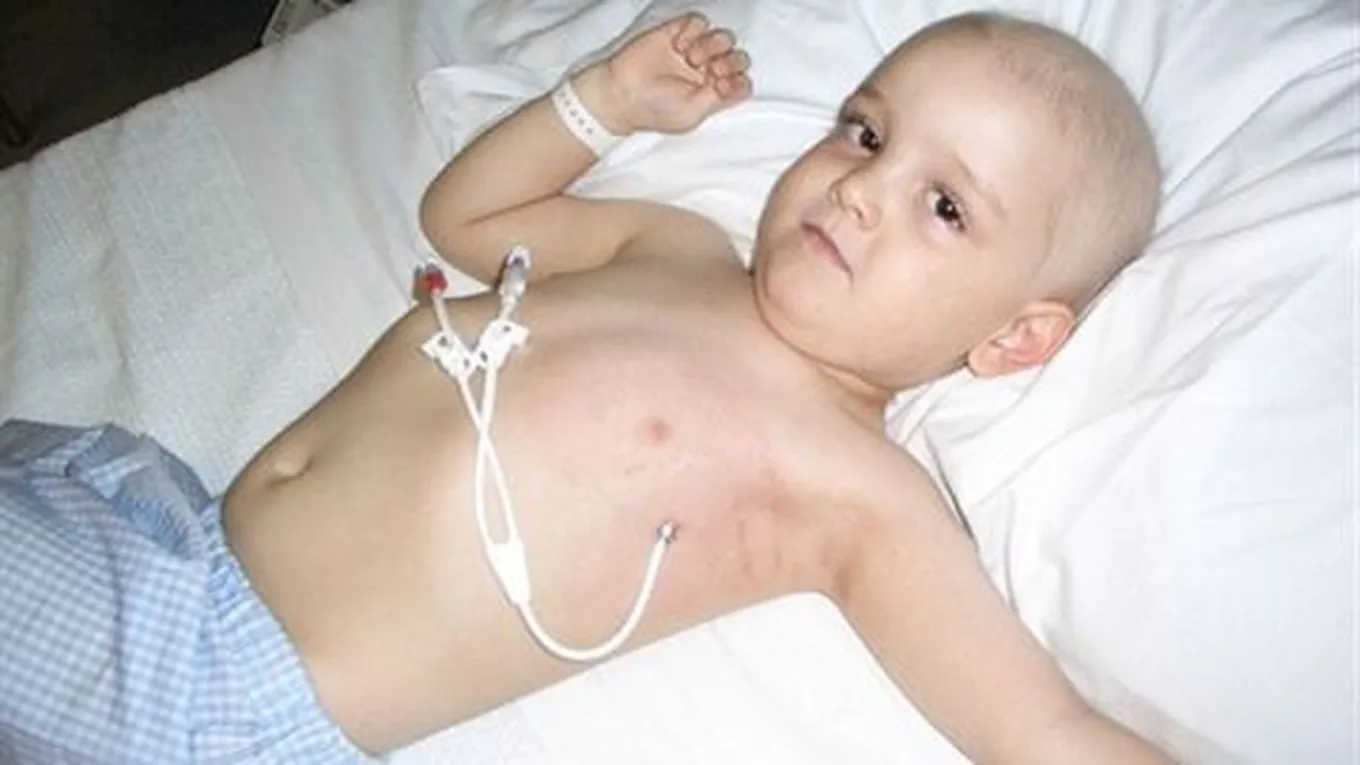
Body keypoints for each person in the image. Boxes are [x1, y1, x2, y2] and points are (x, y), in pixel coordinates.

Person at [0, 9, 1167, 765]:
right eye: (866, 134)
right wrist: (604, 102)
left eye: (945, 206)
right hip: (161, 512)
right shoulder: (679, 247)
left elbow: (1042, 731)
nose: (859, 189)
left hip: (219, 688)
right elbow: (467, 219)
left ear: (1014, 338)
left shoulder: (861, 494)